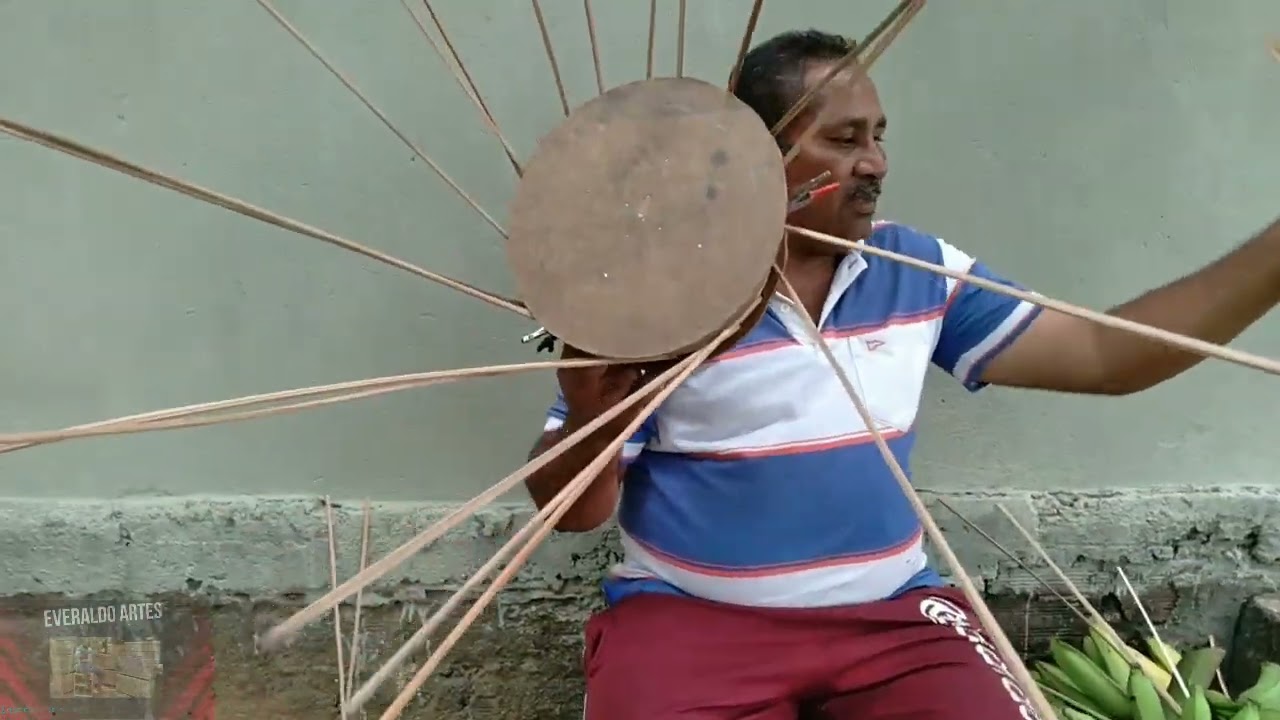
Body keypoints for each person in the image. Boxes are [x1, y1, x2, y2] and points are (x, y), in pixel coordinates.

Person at [524, 28, 1280, 720]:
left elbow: (1112, 355)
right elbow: (575, 513)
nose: (875, 162)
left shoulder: (914, 269)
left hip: (891, 617)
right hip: (691, 618)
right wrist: (590, 414)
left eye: (879, 137)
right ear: (755, 155)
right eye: (844, 139)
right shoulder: (665, 293)